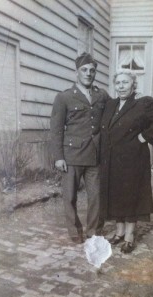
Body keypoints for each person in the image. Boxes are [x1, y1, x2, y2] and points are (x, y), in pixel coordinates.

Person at [100, 69, 153, 254]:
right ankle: (119, 233)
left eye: (125, 82)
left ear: (133, 85)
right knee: (116, 195)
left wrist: (145, 136)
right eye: (118, 83)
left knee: (130, 195)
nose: (121, 86)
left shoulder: (143, 104)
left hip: (133, 159)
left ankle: (129, 236)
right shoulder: (111, 104)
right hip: (112, 159)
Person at [50, 52, 110, 244]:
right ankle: (75, 232)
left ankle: (94, 231)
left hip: (95, 155)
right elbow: (56, 129)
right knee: (69, 196)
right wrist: (59, 156)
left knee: (96, 197)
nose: (88, 73)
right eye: (84, 70)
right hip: (72, 155)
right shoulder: (64, 97)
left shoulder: (102, 95)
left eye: (92, 71)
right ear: (77, 72)